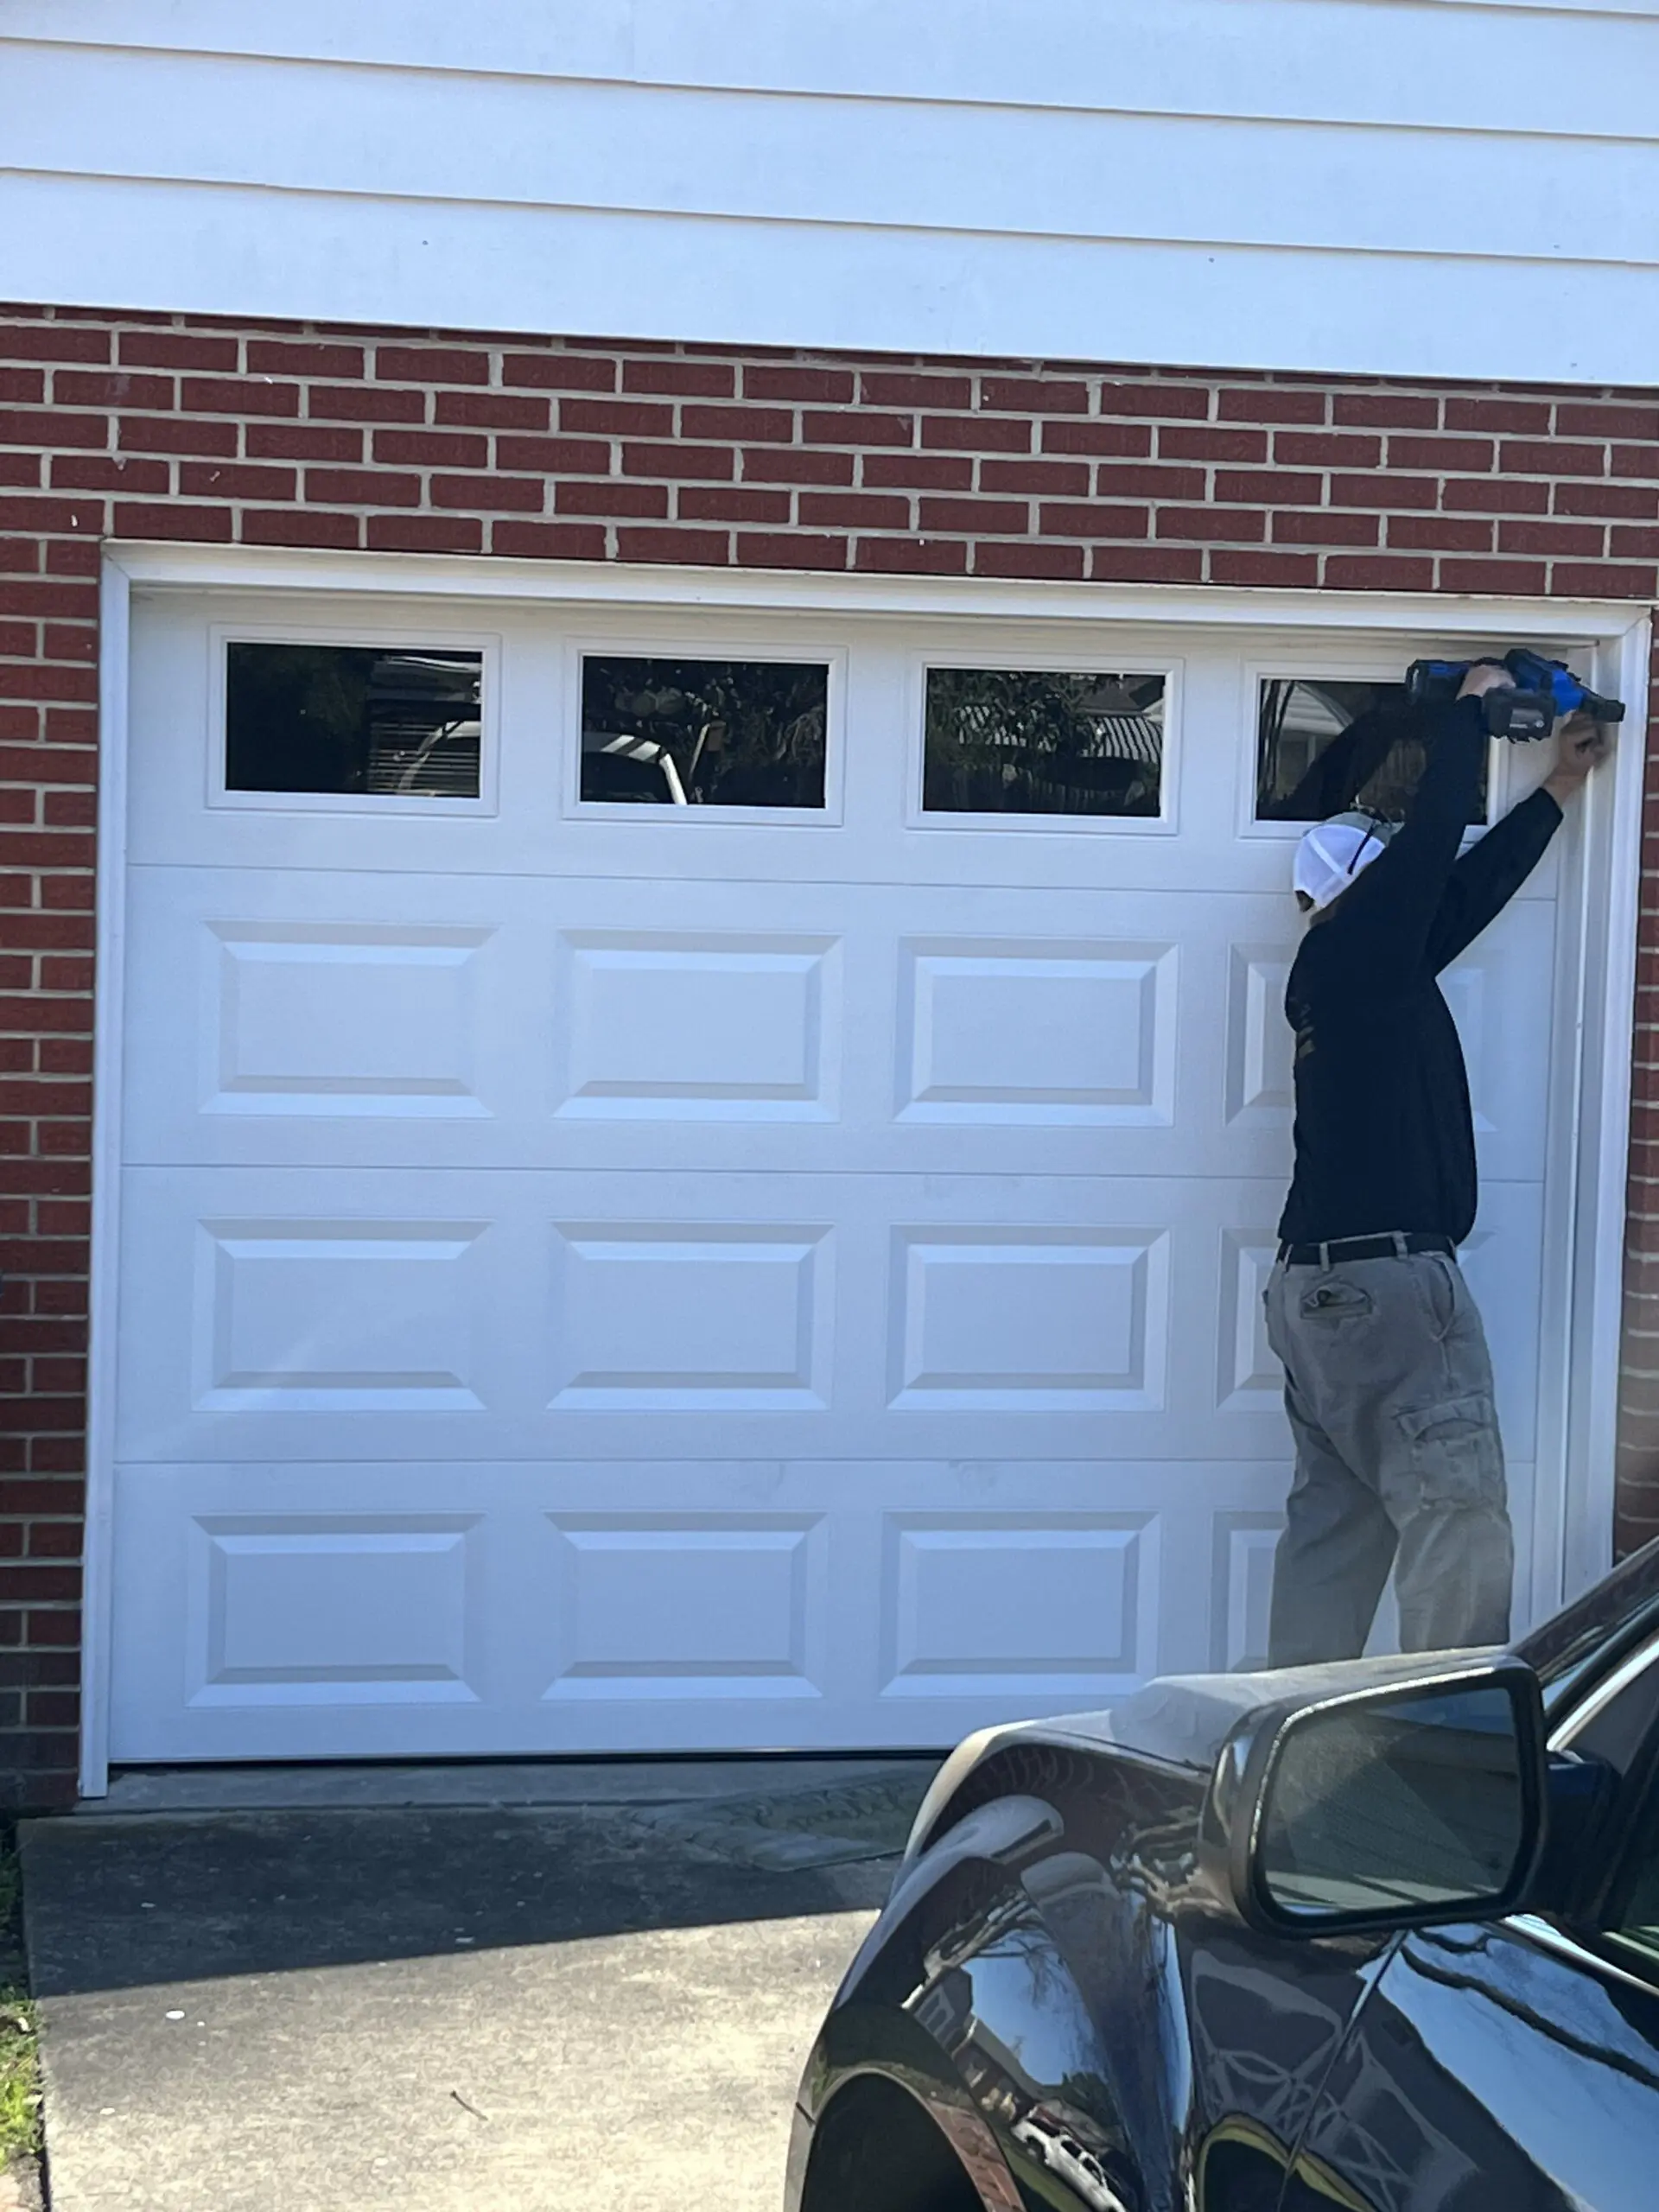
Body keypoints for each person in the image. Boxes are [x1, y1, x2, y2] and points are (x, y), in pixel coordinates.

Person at [1266, 664, 1613, 1666]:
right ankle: (1451, 1763)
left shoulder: (1354, 972)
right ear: (1361, 888)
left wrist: (1554, 791)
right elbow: (1427, 857)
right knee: (1456, 1525)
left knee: (1335, 1537)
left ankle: (1282, 1741)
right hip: (1385, 1292)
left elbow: (1460, 894)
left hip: (1315, 1292)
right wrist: (1468, 710)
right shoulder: (1366, 948)